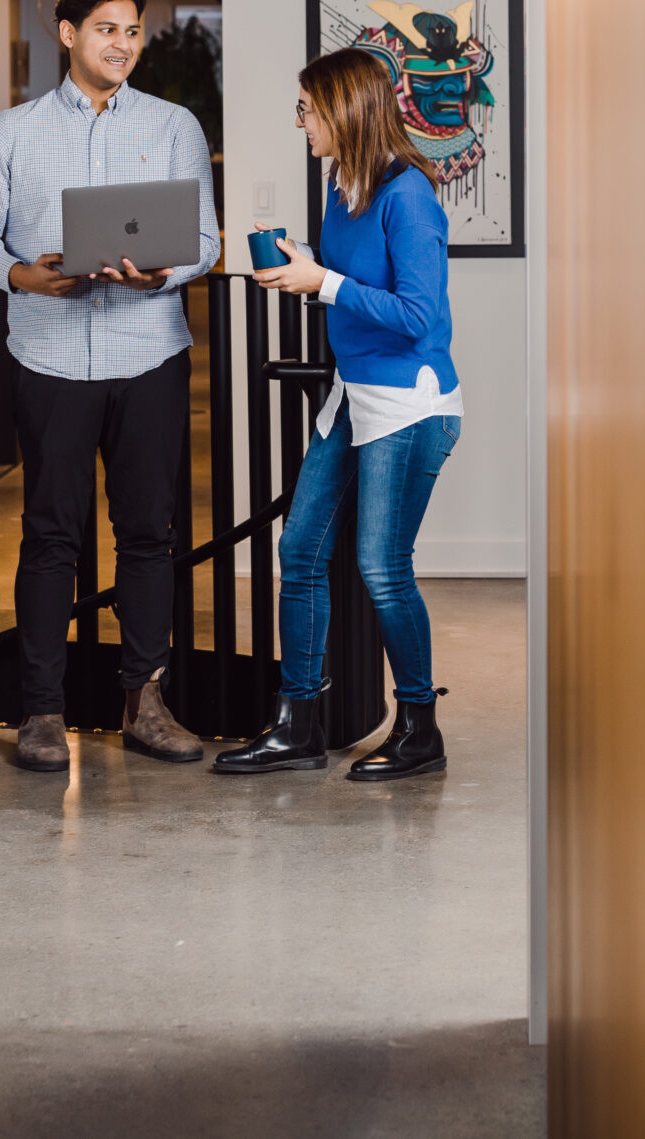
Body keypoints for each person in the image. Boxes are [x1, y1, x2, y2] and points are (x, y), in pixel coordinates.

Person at [0, 0, 220, 772]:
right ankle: (41, 711)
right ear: (68, 35)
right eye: (106, 30)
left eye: (132, 31)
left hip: (148, 354)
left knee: (147, 534)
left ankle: (145, 702)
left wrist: (159, 272)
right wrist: (24, 275)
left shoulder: (174, 126)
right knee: (49, 535)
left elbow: (203, 238)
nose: (123, 45)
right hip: (50, 358)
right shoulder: (13, 133)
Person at [215, 47, 461, 781]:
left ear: (345, 110)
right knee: (300, 552)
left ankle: (420, 727)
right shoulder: (342, 182)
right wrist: (307, 258)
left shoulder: (408, 193)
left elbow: (418, 315)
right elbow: (358, 273)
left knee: (382, 566)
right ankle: (299, 723)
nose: (300, 123)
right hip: (354, 396)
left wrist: (320, 282)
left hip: (411, 402)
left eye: (306, 110)